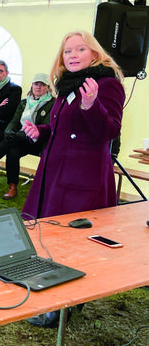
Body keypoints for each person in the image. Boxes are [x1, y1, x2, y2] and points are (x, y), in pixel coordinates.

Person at [23, 31, 125, 219]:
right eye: (67, 51)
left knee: (71, 237)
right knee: (43, 232)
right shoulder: (67, 85)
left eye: (80, 49)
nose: (73, 55)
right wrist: (40, 131)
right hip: (53, 170)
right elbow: (64, 127)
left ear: (94, 54)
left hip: (81, 178)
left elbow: (111, 131)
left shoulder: (108, 84)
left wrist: (91, 105)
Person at [0, 73, 55, 197]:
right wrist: (9, 132)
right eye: (36, 84)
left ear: (48, 88)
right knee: (12, 151)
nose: (38, 87)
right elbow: (14, 121)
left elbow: (45, 127)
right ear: (32, 85)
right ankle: (12, 186)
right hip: (20, 139)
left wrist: (19, 135)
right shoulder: (25, 102)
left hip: (38, 141)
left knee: (11, 141)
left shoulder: (52, 104)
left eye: (42, 84)